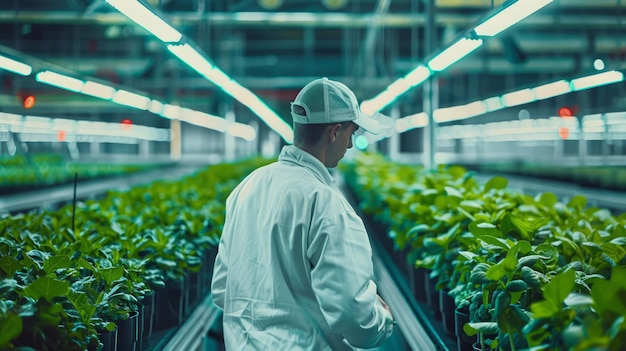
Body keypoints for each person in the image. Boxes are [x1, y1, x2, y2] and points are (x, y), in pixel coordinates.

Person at [211, 77, 395, 350]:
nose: (350, 146)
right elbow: (354, 316)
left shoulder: (246, 188)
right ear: (334, 132)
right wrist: (383, 318)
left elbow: (222, 288)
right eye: (350, 134)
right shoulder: (326, 204)